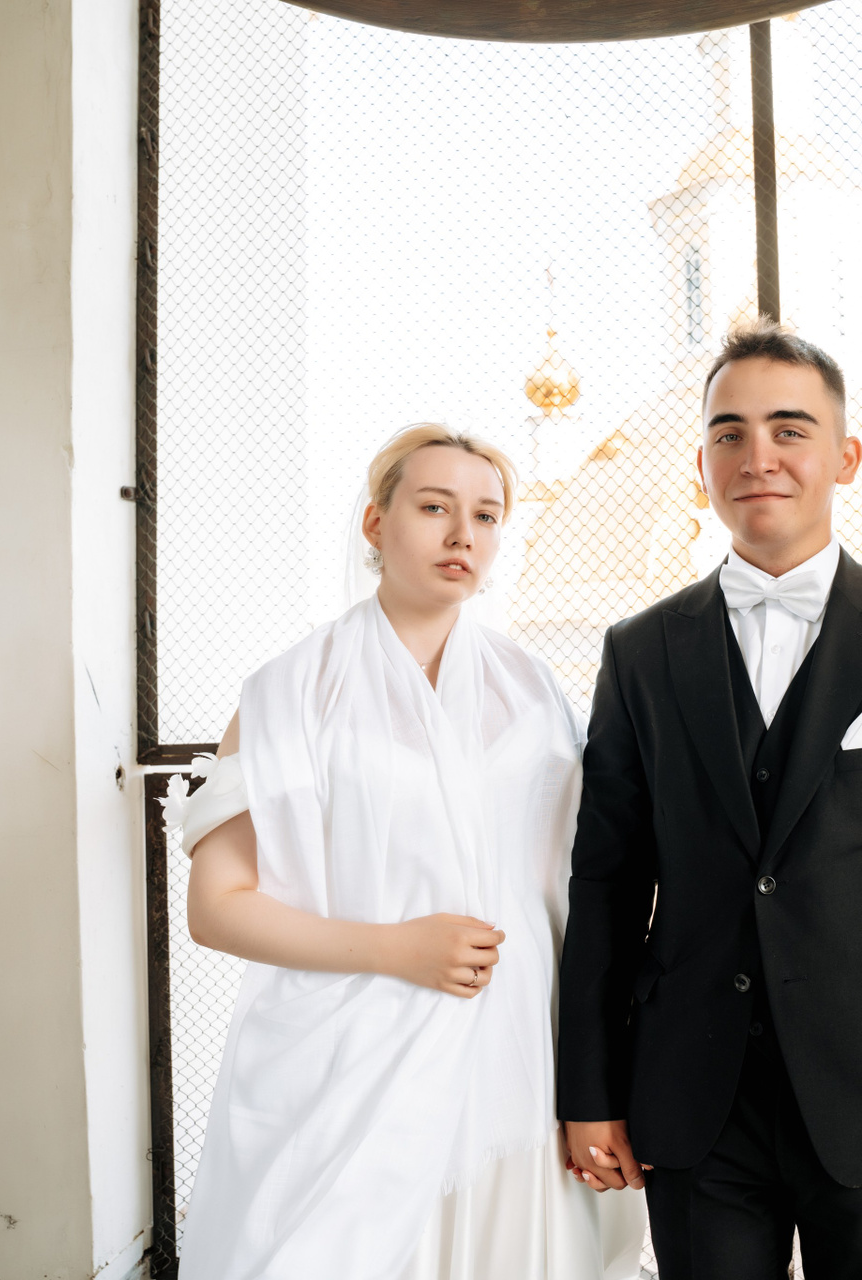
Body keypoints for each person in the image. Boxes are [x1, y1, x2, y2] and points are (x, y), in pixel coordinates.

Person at [556, 324, 862, 1280]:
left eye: (789, 429)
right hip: (694, 1094)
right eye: (728, 434)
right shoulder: (639, 652)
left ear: (844, 457)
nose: (758, 457)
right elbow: (605, 883)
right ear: (701, 463)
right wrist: (589, 1092)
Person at [166, 424, 645, 1280]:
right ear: (374, 522)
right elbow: (216, 908)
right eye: (433, 507)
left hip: (516, 1053)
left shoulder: (536, 692)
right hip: (349, 1061)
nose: (464, 534)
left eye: (487, 515)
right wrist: (398, 949)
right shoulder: (290, 692)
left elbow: (590, 878)